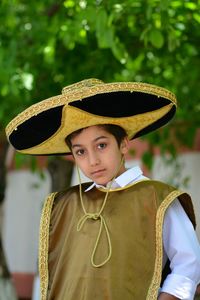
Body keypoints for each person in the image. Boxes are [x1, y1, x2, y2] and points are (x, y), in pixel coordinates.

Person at [5, 79, 200, 299]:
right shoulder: (63, 205)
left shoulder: (157, 197)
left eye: (101, 145)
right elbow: (55, 277)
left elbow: (188, 266)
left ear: (124, 144)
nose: (93, 160)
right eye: (80, 152)